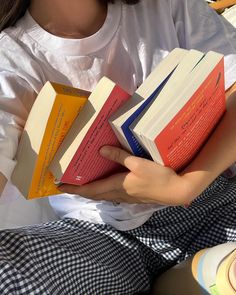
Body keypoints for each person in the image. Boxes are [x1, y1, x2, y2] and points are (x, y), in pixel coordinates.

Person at [0, 0, 236, 294]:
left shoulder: (168, 7)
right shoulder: (11, 59)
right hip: (98, 240)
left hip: (210, 204)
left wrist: (187, 184)